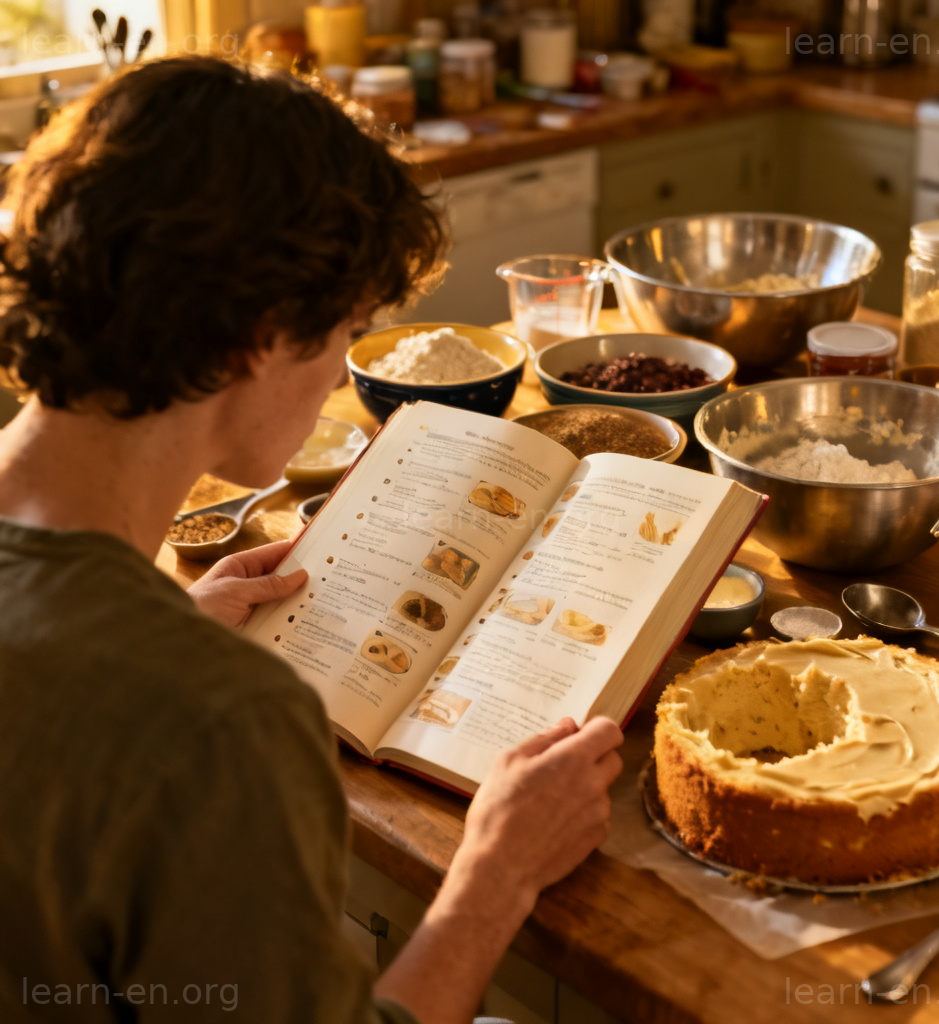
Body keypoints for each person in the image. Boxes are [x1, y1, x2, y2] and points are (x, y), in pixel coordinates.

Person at [0, 56, 623, 1023]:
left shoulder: (166, 678)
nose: (341, 369)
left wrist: (162, 618)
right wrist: (498, 870)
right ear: (263, 333)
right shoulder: (219, 722)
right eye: (347, 331)